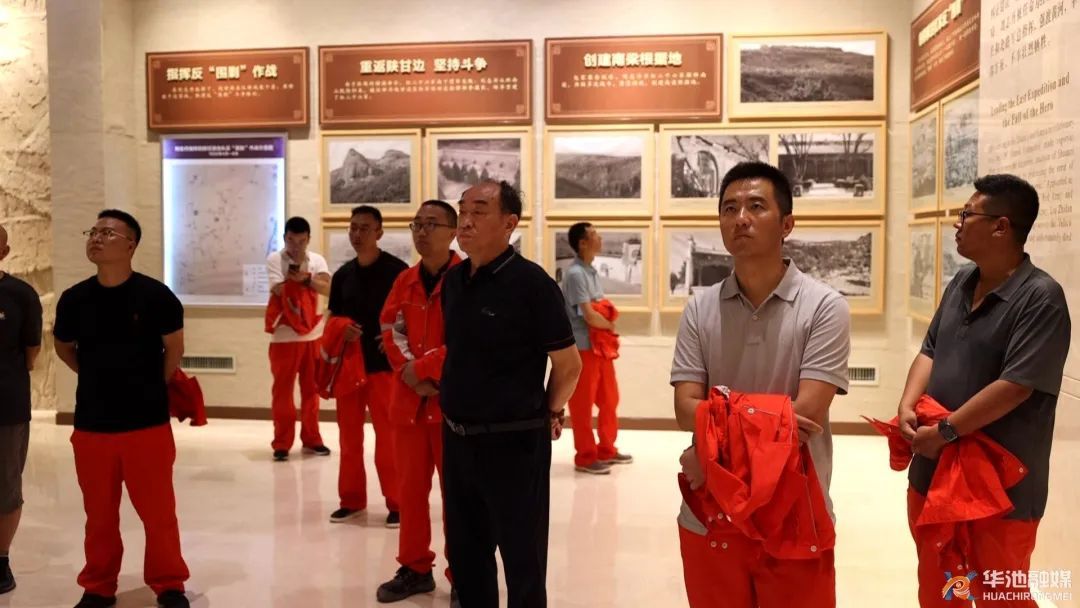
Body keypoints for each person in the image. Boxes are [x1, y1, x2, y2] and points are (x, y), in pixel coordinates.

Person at [671, 161, 850, 608]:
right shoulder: (700, 308)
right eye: (729, 208)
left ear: (786, 224)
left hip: (793, 509)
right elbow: (684, 409)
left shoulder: (824, 307)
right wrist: (770, 418)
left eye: (755, 206)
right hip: (710, 512)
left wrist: (713, 446)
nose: (740, 218)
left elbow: (805, 415)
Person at [898, 174, 1071, 608]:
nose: (957, 223)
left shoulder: (1041, 298)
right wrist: (906, 404)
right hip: (934, 471)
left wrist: (946, 432)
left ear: (1001, 226)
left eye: (967, 214)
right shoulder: (962, 281)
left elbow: (1014, 387)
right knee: (941, 587)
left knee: (1000, 595)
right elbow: (930, 349)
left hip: (1000, 489)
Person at [441, 180, 582, 608]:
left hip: (514, 444)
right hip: (457, 439)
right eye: (463, 210)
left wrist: (550, 410)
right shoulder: (453, 281)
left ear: (509, 223)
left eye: (479, 211)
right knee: (467, 558)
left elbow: (568, 365)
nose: (466, 220)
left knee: (523, 562)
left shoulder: (532, 284)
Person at [53, 210, 190, 608]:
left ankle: (169, 583)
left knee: (158, 512)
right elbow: (64, 347)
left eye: (108, 233)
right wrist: (95, 375)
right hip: (92, 424)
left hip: (146, 424)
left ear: (130, 245)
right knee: (98, 515)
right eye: (93, 231)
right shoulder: (75, 299)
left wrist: (150, 386)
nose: (96, 238)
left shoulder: (156, 296)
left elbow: (174, 349)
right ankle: (98, 586)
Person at [376, 200, 461, 604]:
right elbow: (390, 329)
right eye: (417, 224)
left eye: (432, 224)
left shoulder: (468, 279)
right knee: (410, 493)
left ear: (453, 232)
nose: (422, 232)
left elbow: (466, 340)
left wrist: (428, 371)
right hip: (408, 403)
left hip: (452, 407)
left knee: (458, 497)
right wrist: (411, 371)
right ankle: (414, 568)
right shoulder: (404, 280)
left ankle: (463, 573)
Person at [327, 205, 408, 527]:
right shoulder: (342, 276)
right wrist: (340, 329)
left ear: (379, 232)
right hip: (350, 367)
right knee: (348, 439)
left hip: (384, 368)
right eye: (353, 228)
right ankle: (351, 500)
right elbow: (332, 318)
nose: (357, 234)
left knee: (389, 438)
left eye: (364, 228)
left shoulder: (397, 272)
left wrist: (393, 339)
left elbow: (408, 317)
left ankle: (397, 503)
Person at [561, 222, 631, 475]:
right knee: (582, 405)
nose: (600, 239)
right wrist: (610, 324)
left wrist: (605, 318)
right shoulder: (576, 274)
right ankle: (586, 456)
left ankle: (607, 449)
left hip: (599, 346)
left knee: (609, 399)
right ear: (582, 243)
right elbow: (590, 315)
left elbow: (599, 308)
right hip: (583, 347)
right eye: (594, 235)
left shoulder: (590, 271)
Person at [266, 216, 331, 462]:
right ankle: (282, 442)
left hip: (314, 334)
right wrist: (308, 281)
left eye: (301, 241)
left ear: (308, 239)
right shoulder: (275, 259)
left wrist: (304, 279)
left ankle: (312, 439)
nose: (296, 246)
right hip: (284, 337)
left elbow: (327, 287)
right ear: (285, 238)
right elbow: (278, 289)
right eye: (291, 241)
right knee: (282, 392)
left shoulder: (317, 260)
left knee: (312, 391)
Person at [0, 224, 43, 595]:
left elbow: (31, 352)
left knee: (6, 487)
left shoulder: (21, 295)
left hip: (7, 405)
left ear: (4, 252)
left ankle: (0, 560)